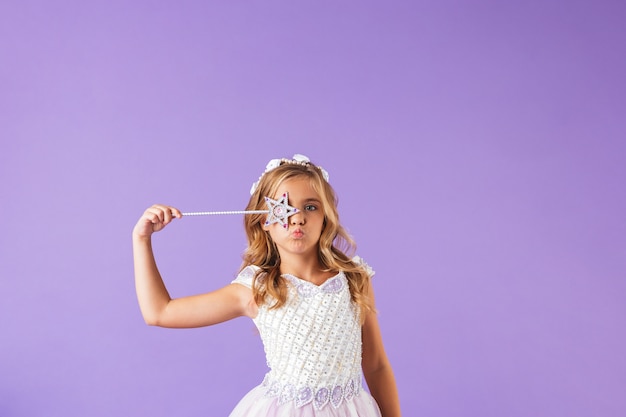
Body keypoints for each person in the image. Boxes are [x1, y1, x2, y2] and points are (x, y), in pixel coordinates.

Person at [132, 154, 401, 416]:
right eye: (284, 208)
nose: (297, 218)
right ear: (264, 221)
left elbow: (376, 365)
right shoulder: (255, 289)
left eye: (310, 206)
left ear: (326, 217)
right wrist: (141, 239)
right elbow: (159, 312)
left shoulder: (354, 279)